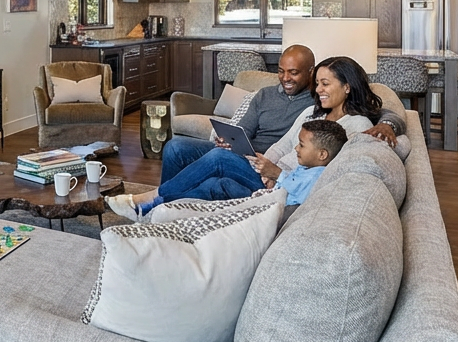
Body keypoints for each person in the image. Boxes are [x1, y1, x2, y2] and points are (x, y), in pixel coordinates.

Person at [108, 56, 380, 219]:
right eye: (318, 83)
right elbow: (284, 144)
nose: (318, 89)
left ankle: (151, 200)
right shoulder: (314, 112)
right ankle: (161, 215)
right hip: (268, 174)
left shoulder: (357, 125)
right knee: (217, 180)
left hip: (285, 187)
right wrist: (264, 167)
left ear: (347, 86)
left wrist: (276, 174)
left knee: (219, 159)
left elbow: (325, 173)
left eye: (325, 84)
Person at [159, 45, 404, 184]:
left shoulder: (318, 100)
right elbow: (252, 134)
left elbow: (374, 109)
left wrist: (388, 123)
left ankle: (159, 199)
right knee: (176, 146)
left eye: (294, 72)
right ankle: (166, 202)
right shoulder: (276, 98)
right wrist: (229, 141)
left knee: (218, 164)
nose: (286, 78)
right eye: (281, 71)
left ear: (310, 72)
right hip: (252, 157)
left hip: (272, 167)